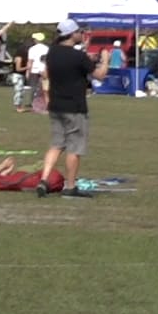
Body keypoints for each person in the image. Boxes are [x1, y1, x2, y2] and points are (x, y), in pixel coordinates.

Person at [37, 19, 109, 198]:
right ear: (72, 34)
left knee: (56, 145)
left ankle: (44, 179)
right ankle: (70, 187)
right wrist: (105, 60)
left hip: (55, 105)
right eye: (78, 31)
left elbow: (50, 72)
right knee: (74, 148)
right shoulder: (78, 56)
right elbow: (99, 76)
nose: (81, 34)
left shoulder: (52, 52)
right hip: (74, 108)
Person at [17, 32, 49, 113]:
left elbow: (30, 61)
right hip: (44, 69)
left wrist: (28, 71)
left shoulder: (32, 49)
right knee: (44, 89)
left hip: (34, 70)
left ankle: (33, 103)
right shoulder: (47, 48)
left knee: (33, 88)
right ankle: (45, 103)